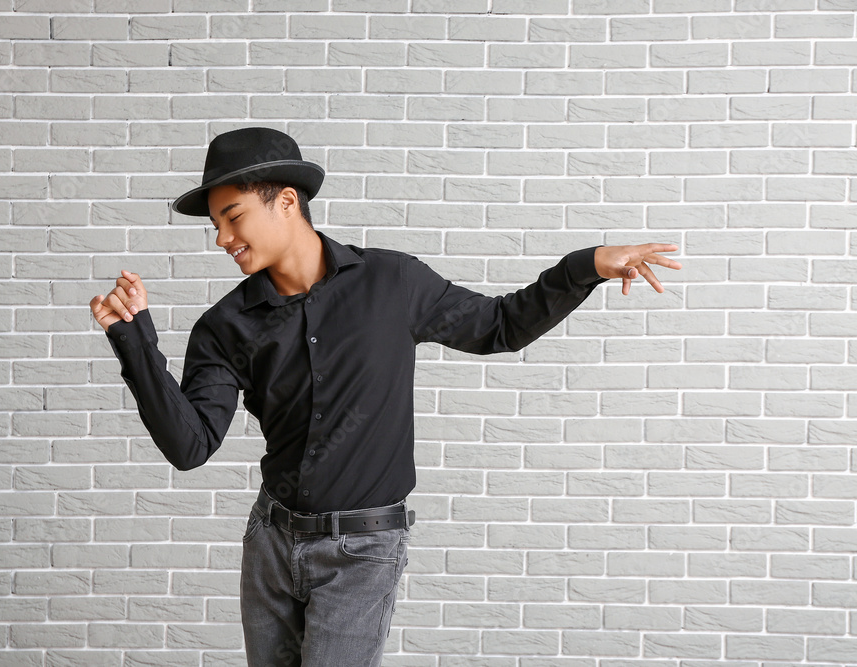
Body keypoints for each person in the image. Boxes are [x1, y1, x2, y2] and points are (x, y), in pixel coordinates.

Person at [89, 127, 682, 665]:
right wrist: (134, 342)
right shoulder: (225, 327)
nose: (222, 239)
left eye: (233, 217)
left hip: (364, 550)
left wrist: (586, 267)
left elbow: (500, 326)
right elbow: (191, 446)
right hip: (270, 544)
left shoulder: (393, 282)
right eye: (215, 224)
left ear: (287, 202)